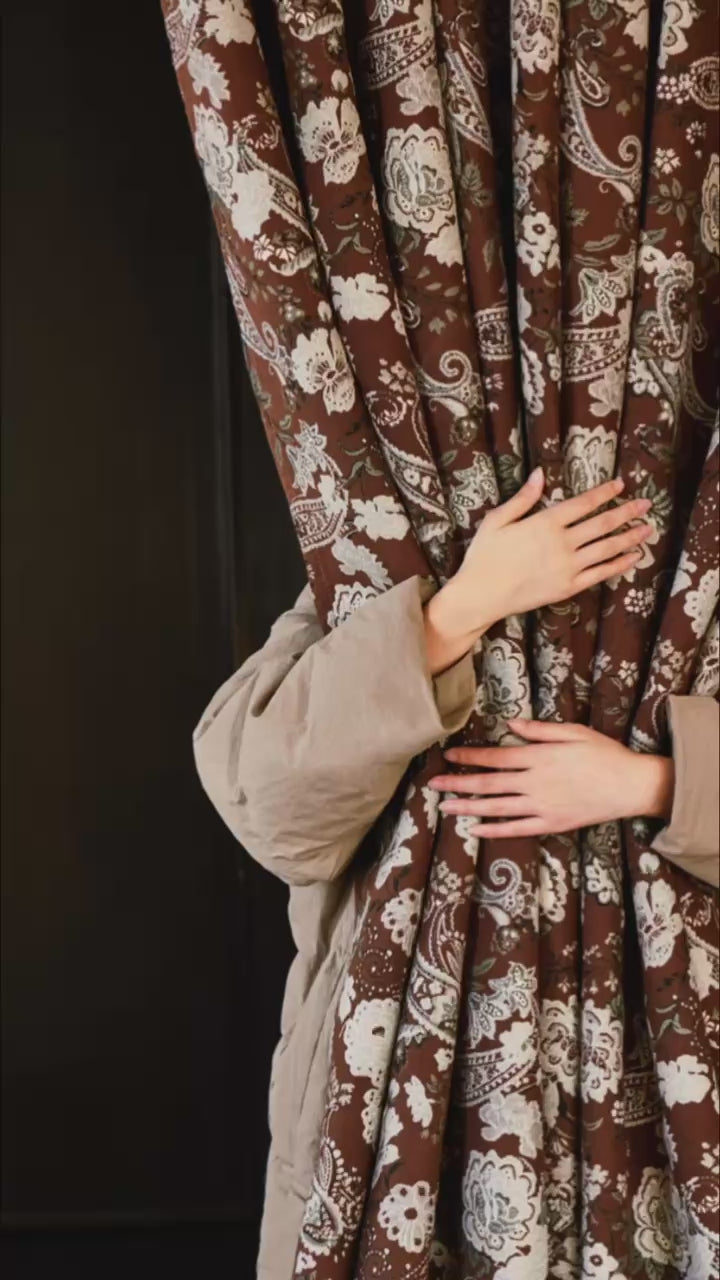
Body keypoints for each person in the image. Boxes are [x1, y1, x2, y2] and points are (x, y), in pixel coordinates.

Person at [191, 469, 719, 1279]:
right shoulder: (383, 550)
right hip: (406, 1111)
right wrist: (458, 610)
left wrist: (655, 783)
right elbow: (267, 806)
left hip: (673, 1100)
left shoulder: (701, 569)